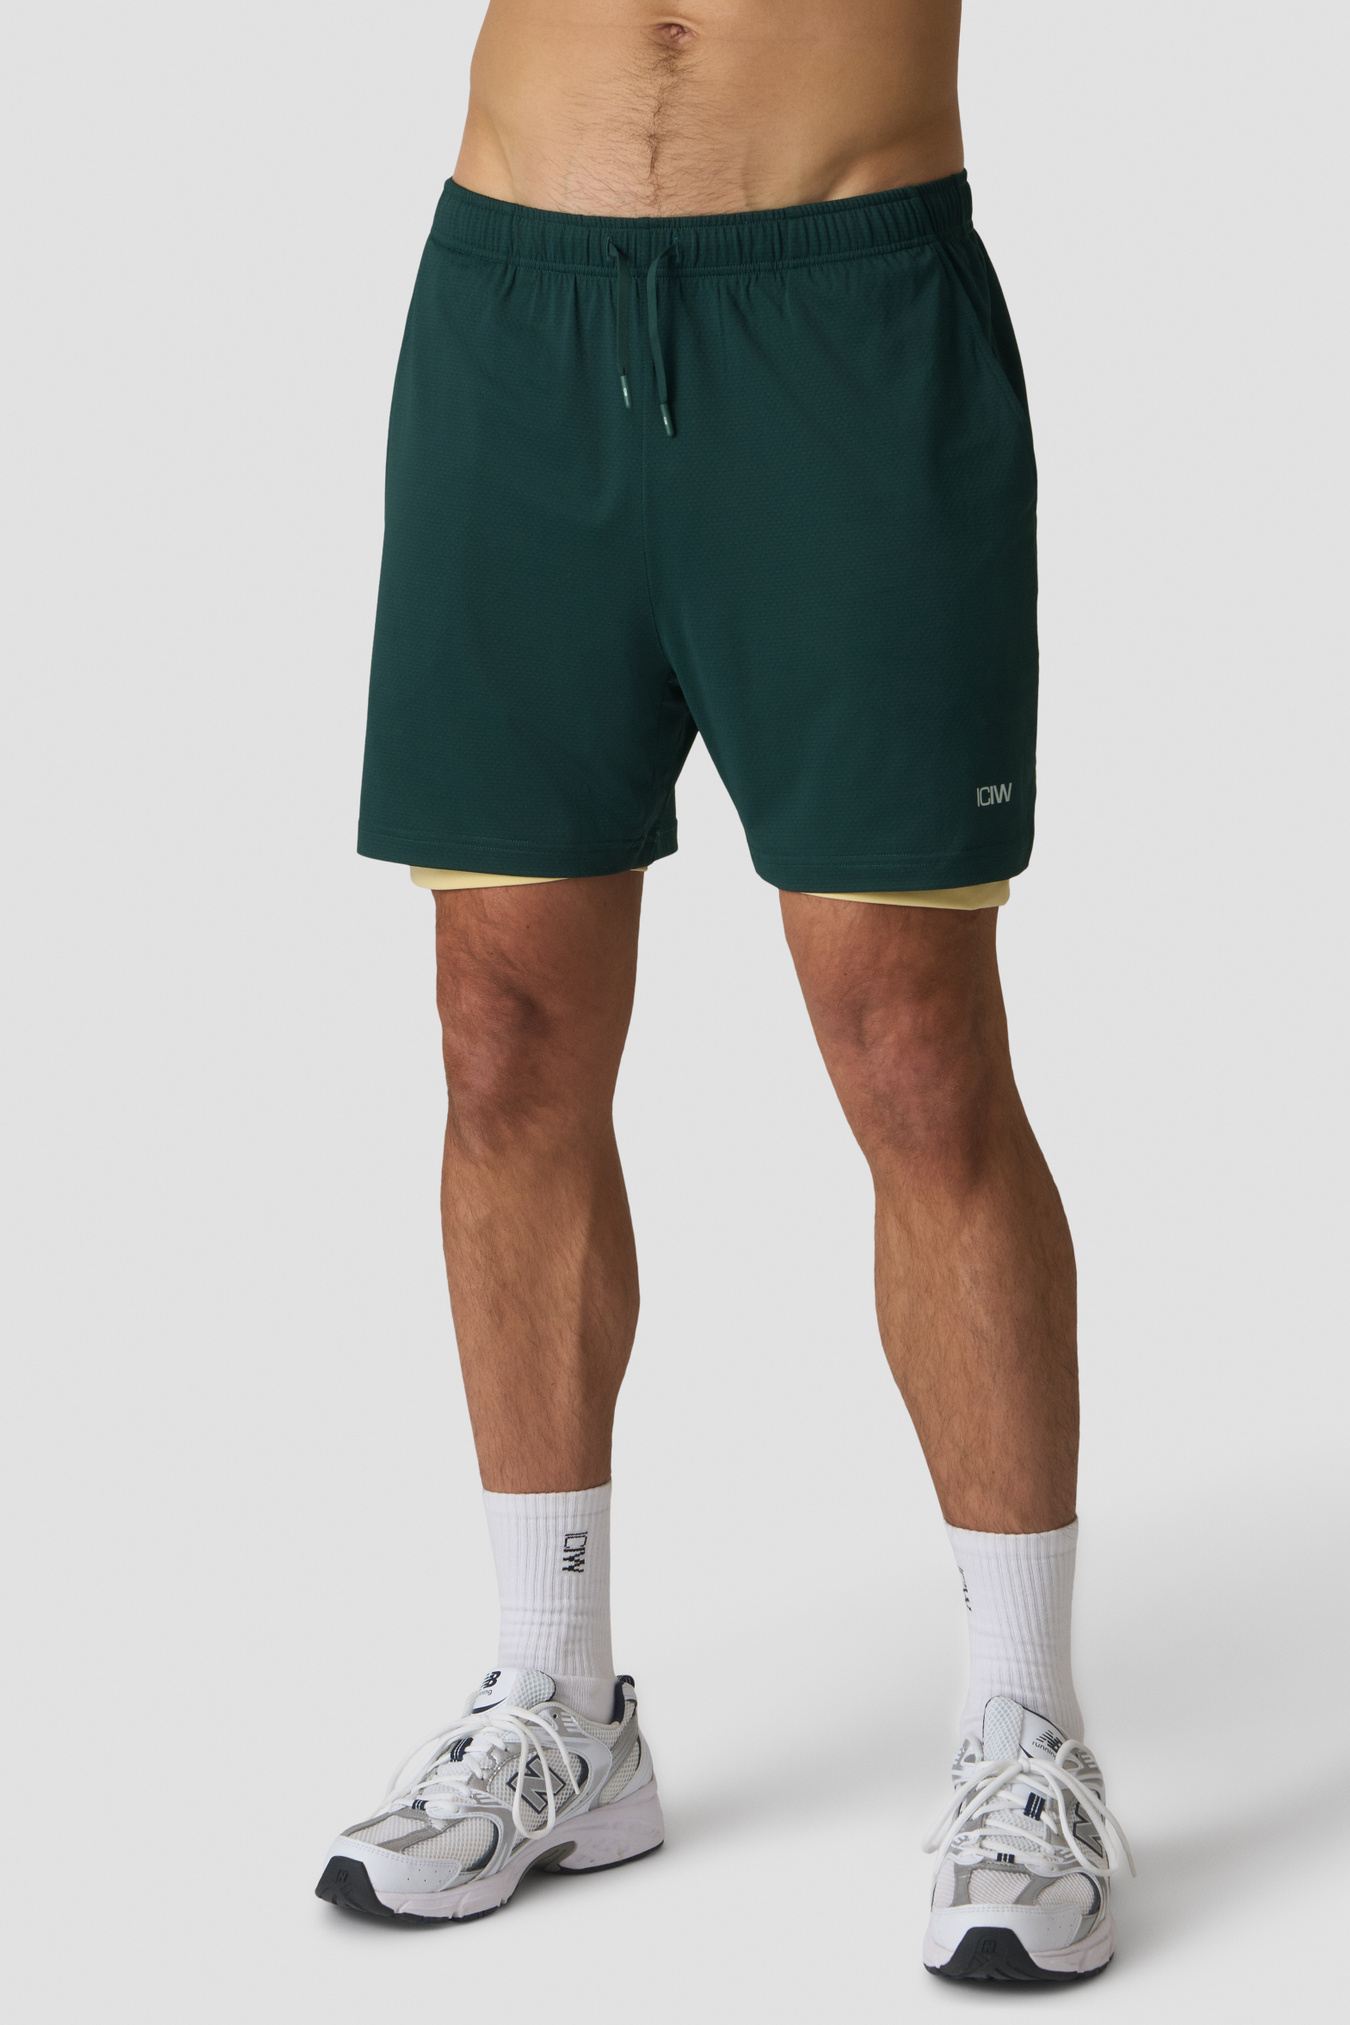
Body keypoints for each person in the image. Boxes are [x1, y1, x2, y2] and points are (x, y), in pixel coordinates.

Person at [315, 0, 1132, 1980]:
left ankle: (1026, 1730)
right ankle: (559, 1703)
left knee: (912, 1042)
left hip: (841, 308)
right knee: (500, 1028)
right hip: (517, 303)